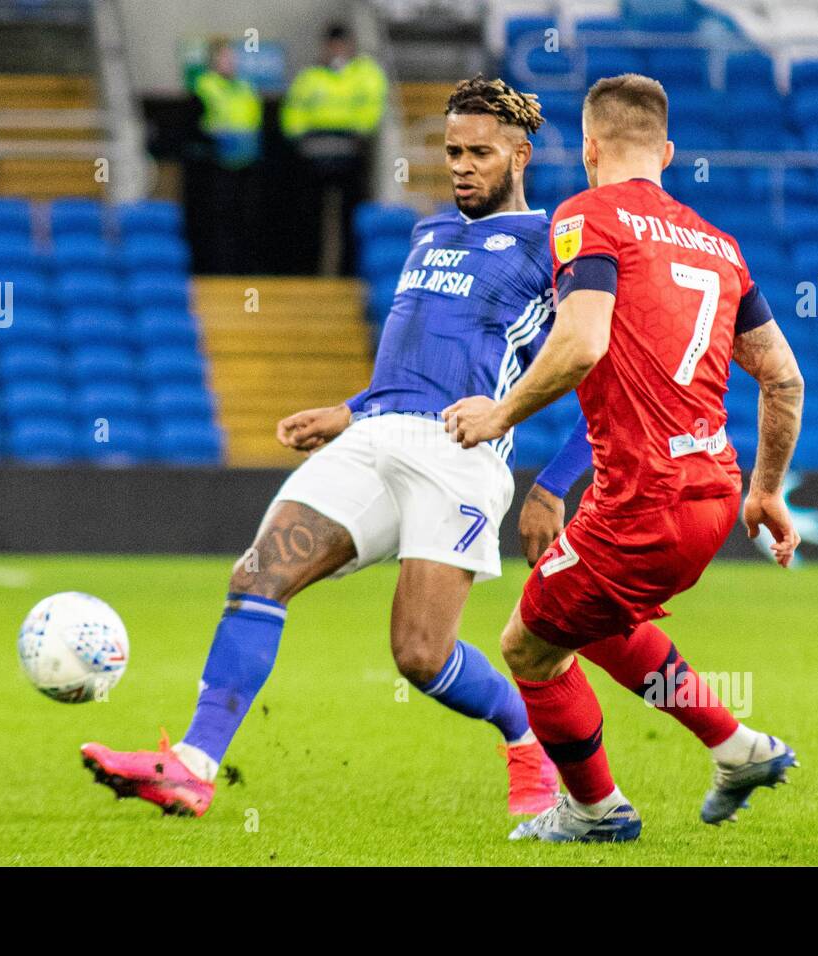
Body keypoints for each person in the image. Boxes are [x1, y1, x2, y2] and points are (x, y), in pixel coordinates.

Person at [82, 76, 571, 820]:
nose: (462, 165)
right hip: (372, 437)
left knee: (419, 654)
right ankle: (192, 764)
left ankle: (525, 736)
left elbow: (596, 357)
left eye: (479, 152)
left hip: (459, 454)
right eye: (452, 152)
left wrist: (548, 468)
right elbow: (417, 353)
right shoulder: (428, 233)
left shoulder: (554, 244)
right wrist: (347, 412)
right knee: (258, 574)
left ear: (520, 154)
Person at [443, 73, 804, 844]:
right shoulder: (719, 246)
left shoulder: (586, 215)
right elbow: (784, 376)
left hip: (643, 500)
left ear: (588, 147)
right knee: (589, 619)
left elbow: (581, 341)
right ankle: (736, 748)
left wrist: (499, 412)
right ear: (667, 152)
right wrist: (767, 492)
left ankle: (594, 811)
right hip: (711, 498)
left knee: (527, 647)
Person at [280, 23, 387, 275]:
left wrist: (351, 131)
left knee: (351, 219)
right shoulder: (309, 78)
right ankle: (308, 273)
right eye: (332, 45)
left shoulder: (365, 75)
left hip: (349, 158)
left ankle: (347, 274)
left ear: (350, 46)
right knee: (309, 219)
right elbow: (292, 114)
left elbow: (371, 110)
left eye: (342, 44)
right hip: (313, 159)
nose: (337, 50)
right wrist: (304, 137)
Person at [189, 38, 263, 273]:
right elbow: (197, 124)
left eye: (232, 57)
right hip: (217, 164)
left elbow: (253, 123)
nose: (230, 62)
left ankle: (243, 269)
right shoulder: (204, 86)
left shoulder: (246, 88)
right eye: (224, 57)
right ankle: (218, 269)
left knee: (246, 219)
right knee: (220, 219)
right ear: (213, 61)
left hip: (246, 163)